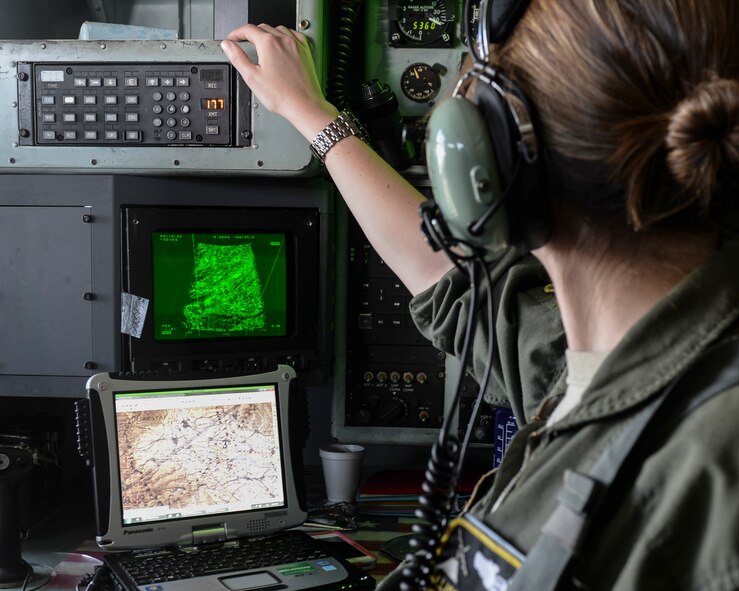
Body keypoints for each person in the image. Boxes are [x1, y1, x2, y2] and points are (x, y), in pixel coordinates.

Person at [221, 0, 739, 588]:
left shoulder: (713, 459)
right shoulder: (596, 358)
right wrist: (309, 112)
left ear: (494, 155)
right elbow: (448, 280)